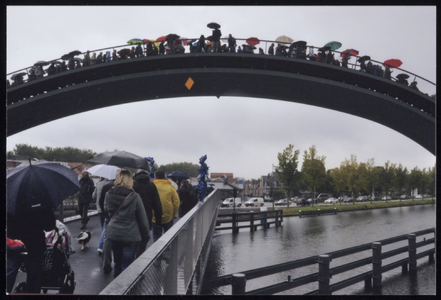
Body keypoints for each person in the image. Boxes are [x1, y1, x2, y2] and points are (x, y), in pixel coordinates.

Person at [105, 169, 150, 278]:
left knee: (117, 263)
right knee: (127, 265)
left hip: (114, 233)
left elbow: (107, 212)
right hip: (131, 235)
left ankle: (116, 289)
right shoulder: (134, 196)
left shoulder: (109, 195)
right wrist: (146, 235)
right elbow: (142, 218)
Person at [7, 207, 56, 293]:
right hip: (35, 245)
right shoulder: (40, 201)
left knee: (9, 275)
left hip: (14, 244)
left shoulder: (11, 201)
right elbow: (50, 225)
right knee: (34, 279)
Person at [133, 169, 162, 258]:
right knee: (144, 239)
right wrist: (158, 221)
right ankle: (139, 260)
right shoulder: (151, 185)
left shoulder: (132, 184)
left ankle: (129, 262)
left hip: (133, 217)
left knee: (132, 241)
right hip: (146, 216)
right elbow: (157, 204)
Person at [152, 170, 180, 243]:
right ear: (165, 176)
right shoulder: (170, 187)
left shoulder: (152, 186)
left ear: (155, 177)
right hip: (168, 216)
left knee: (156, 236)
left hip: (154, 216)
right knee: (168, 237)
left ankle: (156, 252)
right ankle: (167, 253)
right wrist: (173, 214)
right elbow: (176, 202)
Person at [93, 177, 114, 255]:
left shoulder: (99, 184)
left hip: (100, 209)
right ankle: (102, 246)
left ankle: (102, 246)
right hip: (107, 210)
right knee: (106, 229)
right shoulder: (111, 185)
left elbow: (93, 196)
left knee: (104, 228)